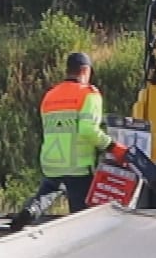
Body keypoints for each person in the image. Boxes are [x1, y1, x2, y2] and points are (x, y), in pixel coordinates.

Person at [13, 52, 114, 229]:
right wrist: (111, 145)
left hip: (52, 161)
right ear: (85, 70)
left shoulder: (50, 96)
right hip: (77, 165)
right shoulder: (89, 95)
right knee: (81, 218)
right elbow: (88, 130)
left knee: (46, 194)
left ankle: (31, 210)